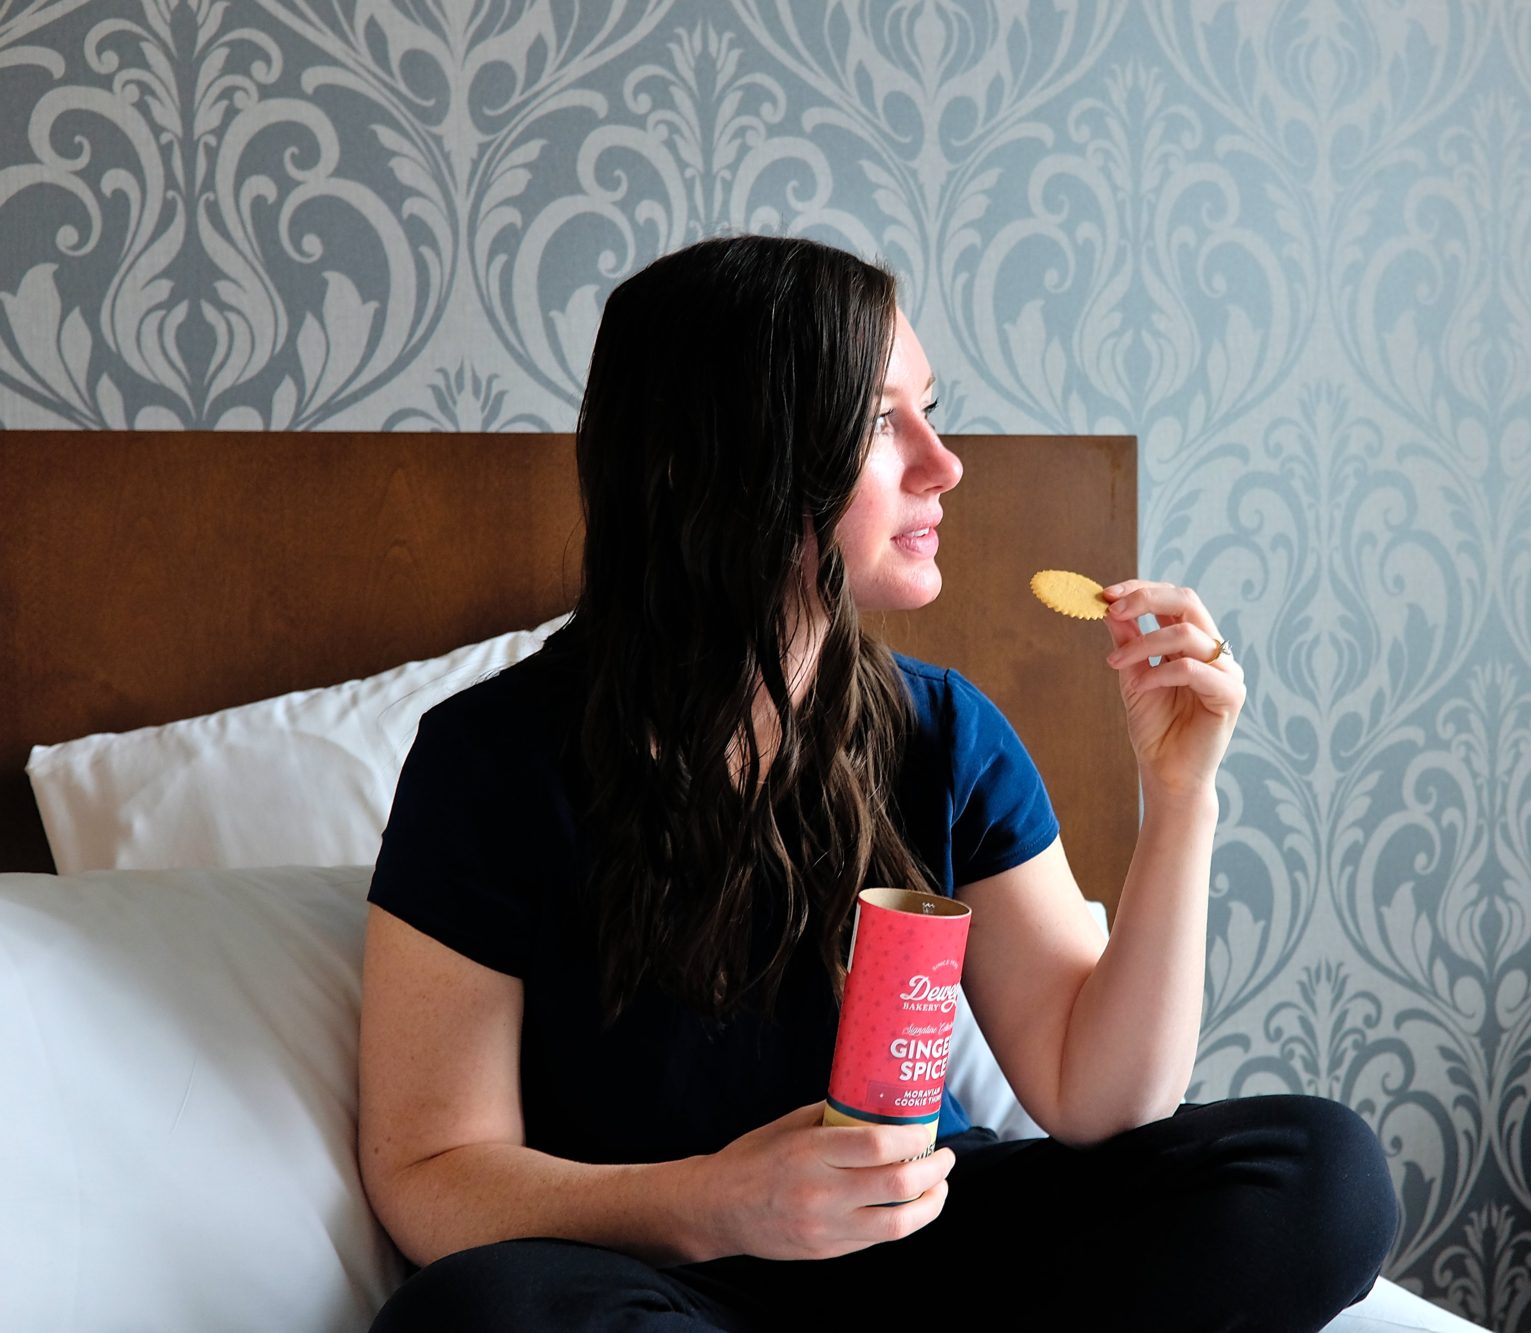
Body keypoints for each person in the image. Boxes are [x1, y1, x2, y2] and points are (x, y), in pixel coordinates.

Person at [357, 234, 1397, 1332]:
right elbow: (432, 1172)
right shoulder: (491, 761)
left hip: (927, 1255)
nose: (943, 465)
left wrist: (1183, 796)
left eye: (930, 410)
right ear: (729, 459)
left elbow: (1097, 1094)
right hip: (660, 1271)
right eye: (878, 424)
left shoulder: (946, 734)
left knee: (1320, 1172)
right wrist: (721, 1201)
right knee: (470, 1315)